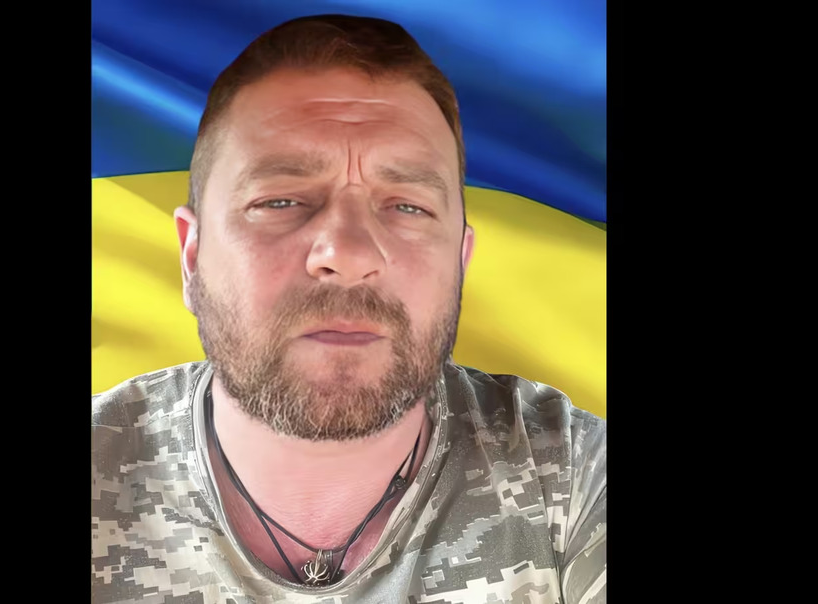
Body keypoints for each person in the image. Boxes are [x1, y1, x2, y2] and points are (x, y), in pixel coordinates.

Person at [91, 14, 606, 604]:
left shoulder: (574, 477)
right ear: (192, 257)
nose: (348, 253)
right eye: (281, 200)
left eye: (408, 206)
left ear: (459, 265)